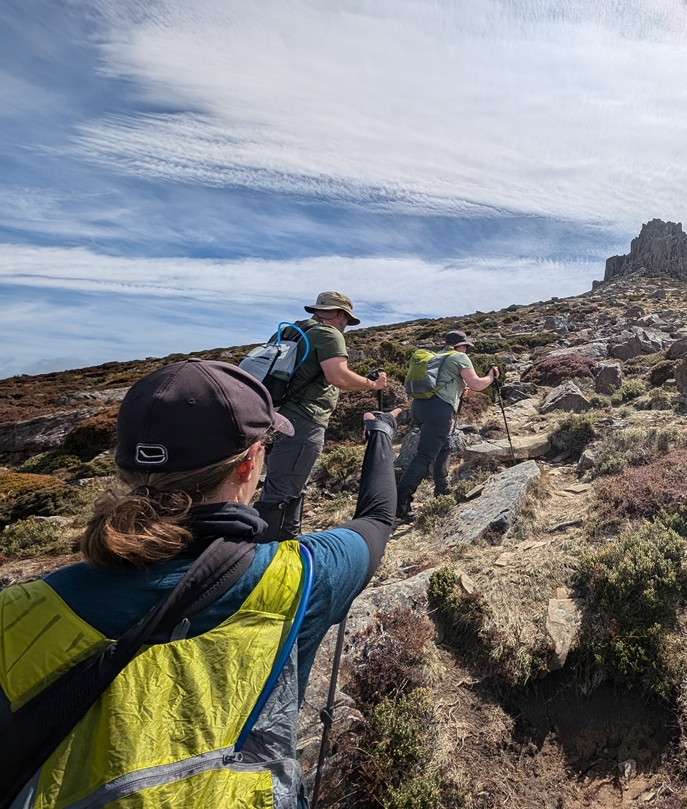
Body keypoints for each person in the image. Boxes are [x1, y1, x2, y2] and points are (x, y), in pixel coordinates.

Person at [0, 359, 399, 808]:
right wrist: (380, 432)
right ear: (249, 465)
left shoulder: (16, 612)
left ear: (126, 467)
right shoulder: (299, 579)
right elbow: (378, 519)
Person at [255, 290, 387, 541]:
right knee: (281, 493)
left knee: (287, 484)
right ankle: (262, 556)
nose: (345, 326)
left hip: (274, 414)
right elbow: (338, 377)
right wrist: (373, 386)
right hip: (303, 419)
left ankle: (288, 543)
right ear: (340, 314)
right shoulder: (328, 334)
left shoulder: (290, 331)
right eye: (347, 320)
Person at [395, 330, 498, 521]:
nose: (466, 350)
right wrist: (491, 376)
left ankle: (442, 490)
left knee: (445, 446)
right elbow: (476, 384)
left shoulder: (439, 356)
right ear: (461, 345)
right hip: (438, 409)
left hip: (420, 406)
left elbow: (446, 383)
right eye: (466, 346)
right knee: (425, 455)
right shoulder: (459, 357)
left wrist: (459, 389)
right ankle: (400, 504)